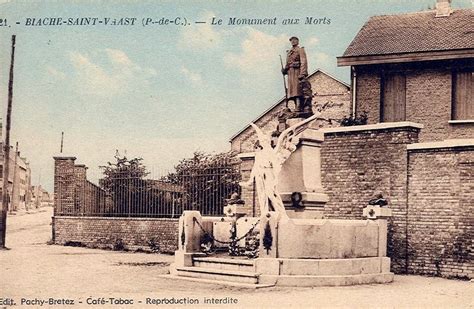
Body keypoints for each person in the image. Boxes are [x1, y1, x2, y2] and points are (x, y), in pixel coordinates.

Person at [282, 36, 309, 115]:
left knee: (297, 90)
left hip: (297, 72)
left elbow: (304, 62)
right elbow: (287, 64)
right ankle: (295, 106)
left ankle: (299, 106)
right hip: (290, 73)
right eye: (292, 41)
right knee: (291, 92)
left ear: (298, 41)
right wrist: (284, 70)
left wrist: (302, 73)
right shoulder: (289, 52)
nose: (293, 42)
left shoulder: (300, 50)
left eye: (295, 40)